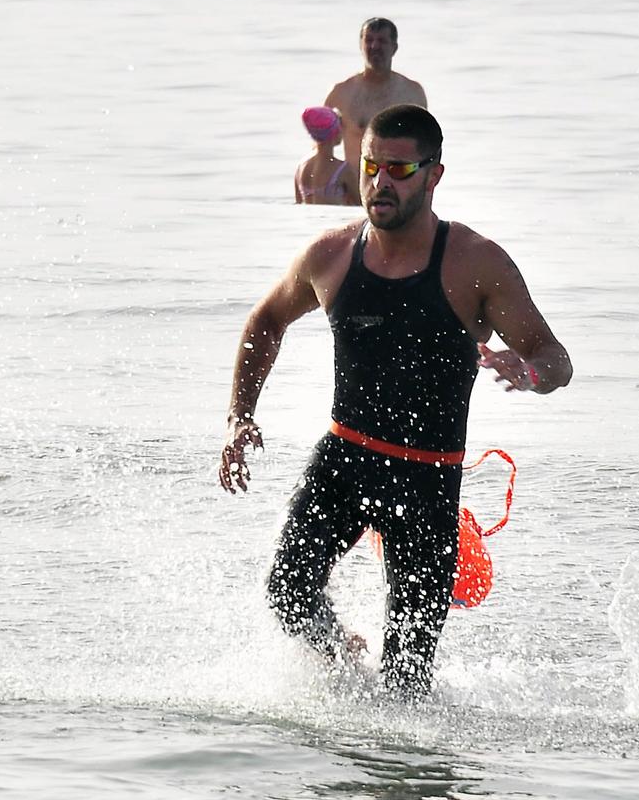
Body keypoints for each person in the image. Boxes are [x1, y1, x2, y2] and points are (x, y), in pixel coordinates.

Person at [220, 104, 573, 697]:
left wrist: (530, 372)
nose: (380, 182)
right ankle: (342, 667)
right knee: (288, 590)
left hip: (428, 482)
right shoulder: (330, 256)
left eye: (400, 169)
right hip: (345, 460)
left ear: (433, 175)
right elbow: (266, 321)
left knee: (408, 680)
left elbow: (555, 359)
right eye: (371, 166)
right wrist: (239, 417)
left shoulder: (474, 263)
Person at [325, 18, 426, 184]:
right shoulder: (341, 93)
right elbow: (322, 149)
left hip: (398, 188)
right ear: (360, 45)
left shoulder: (412, 93)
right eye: (369, 40)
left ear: (394, 47)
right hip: (355, 191)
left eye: (382, 41)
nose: (374, 46)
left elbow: (423, 147)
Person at [294, 106, 355, 206]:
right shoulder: (343, 170)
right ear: (336, 131)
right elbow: (361, 207)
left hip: (308, 221)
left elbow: (298, 204)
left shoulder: (301, 167)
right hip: (335, 220)